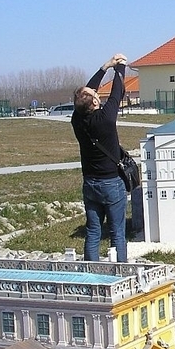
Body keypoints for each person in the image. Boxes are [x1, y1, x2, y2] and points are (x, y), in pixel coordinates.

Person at [71, 53, 129, 262]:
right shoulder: (105, 119)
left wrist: (105, 66)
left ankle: (91, 271)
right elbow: (117, 92)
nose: (95, 92)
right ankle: (121, 270)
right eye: (94, 94)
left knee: (93, 230)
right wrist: (120, 67)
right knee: (117, 232)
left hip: (90, 184)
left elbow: (86, 95)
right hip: (111, 183)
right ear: (95, 102)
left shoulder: (77, 118)